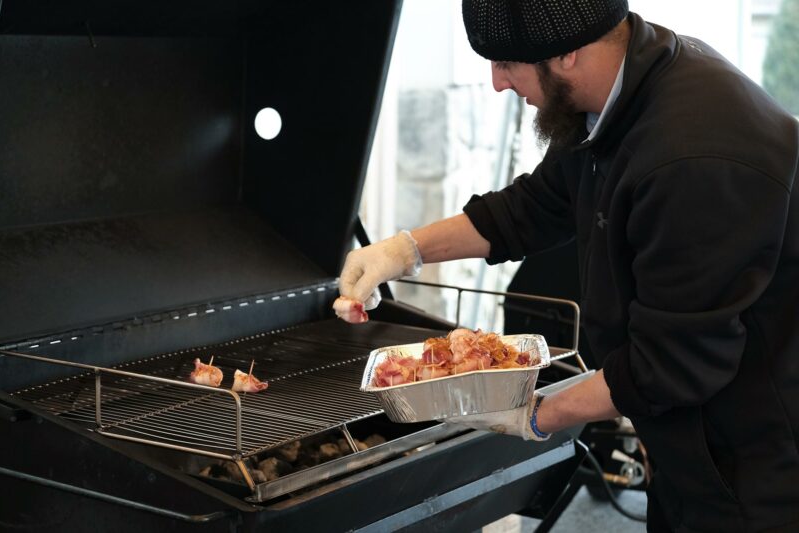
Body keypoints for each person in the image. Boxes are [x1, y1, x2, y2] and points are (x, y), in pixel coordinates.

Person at [338, 0, 799, 531]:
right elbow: (534, 207)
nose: (496, 83)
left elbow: (669, 366)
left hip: (761, 468)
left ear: (567, 52)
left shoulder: (693, 157)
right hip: (694, 448)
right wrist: (401, 251)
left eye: (507, 64)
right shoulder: (616, 96)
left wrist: (531, 413)